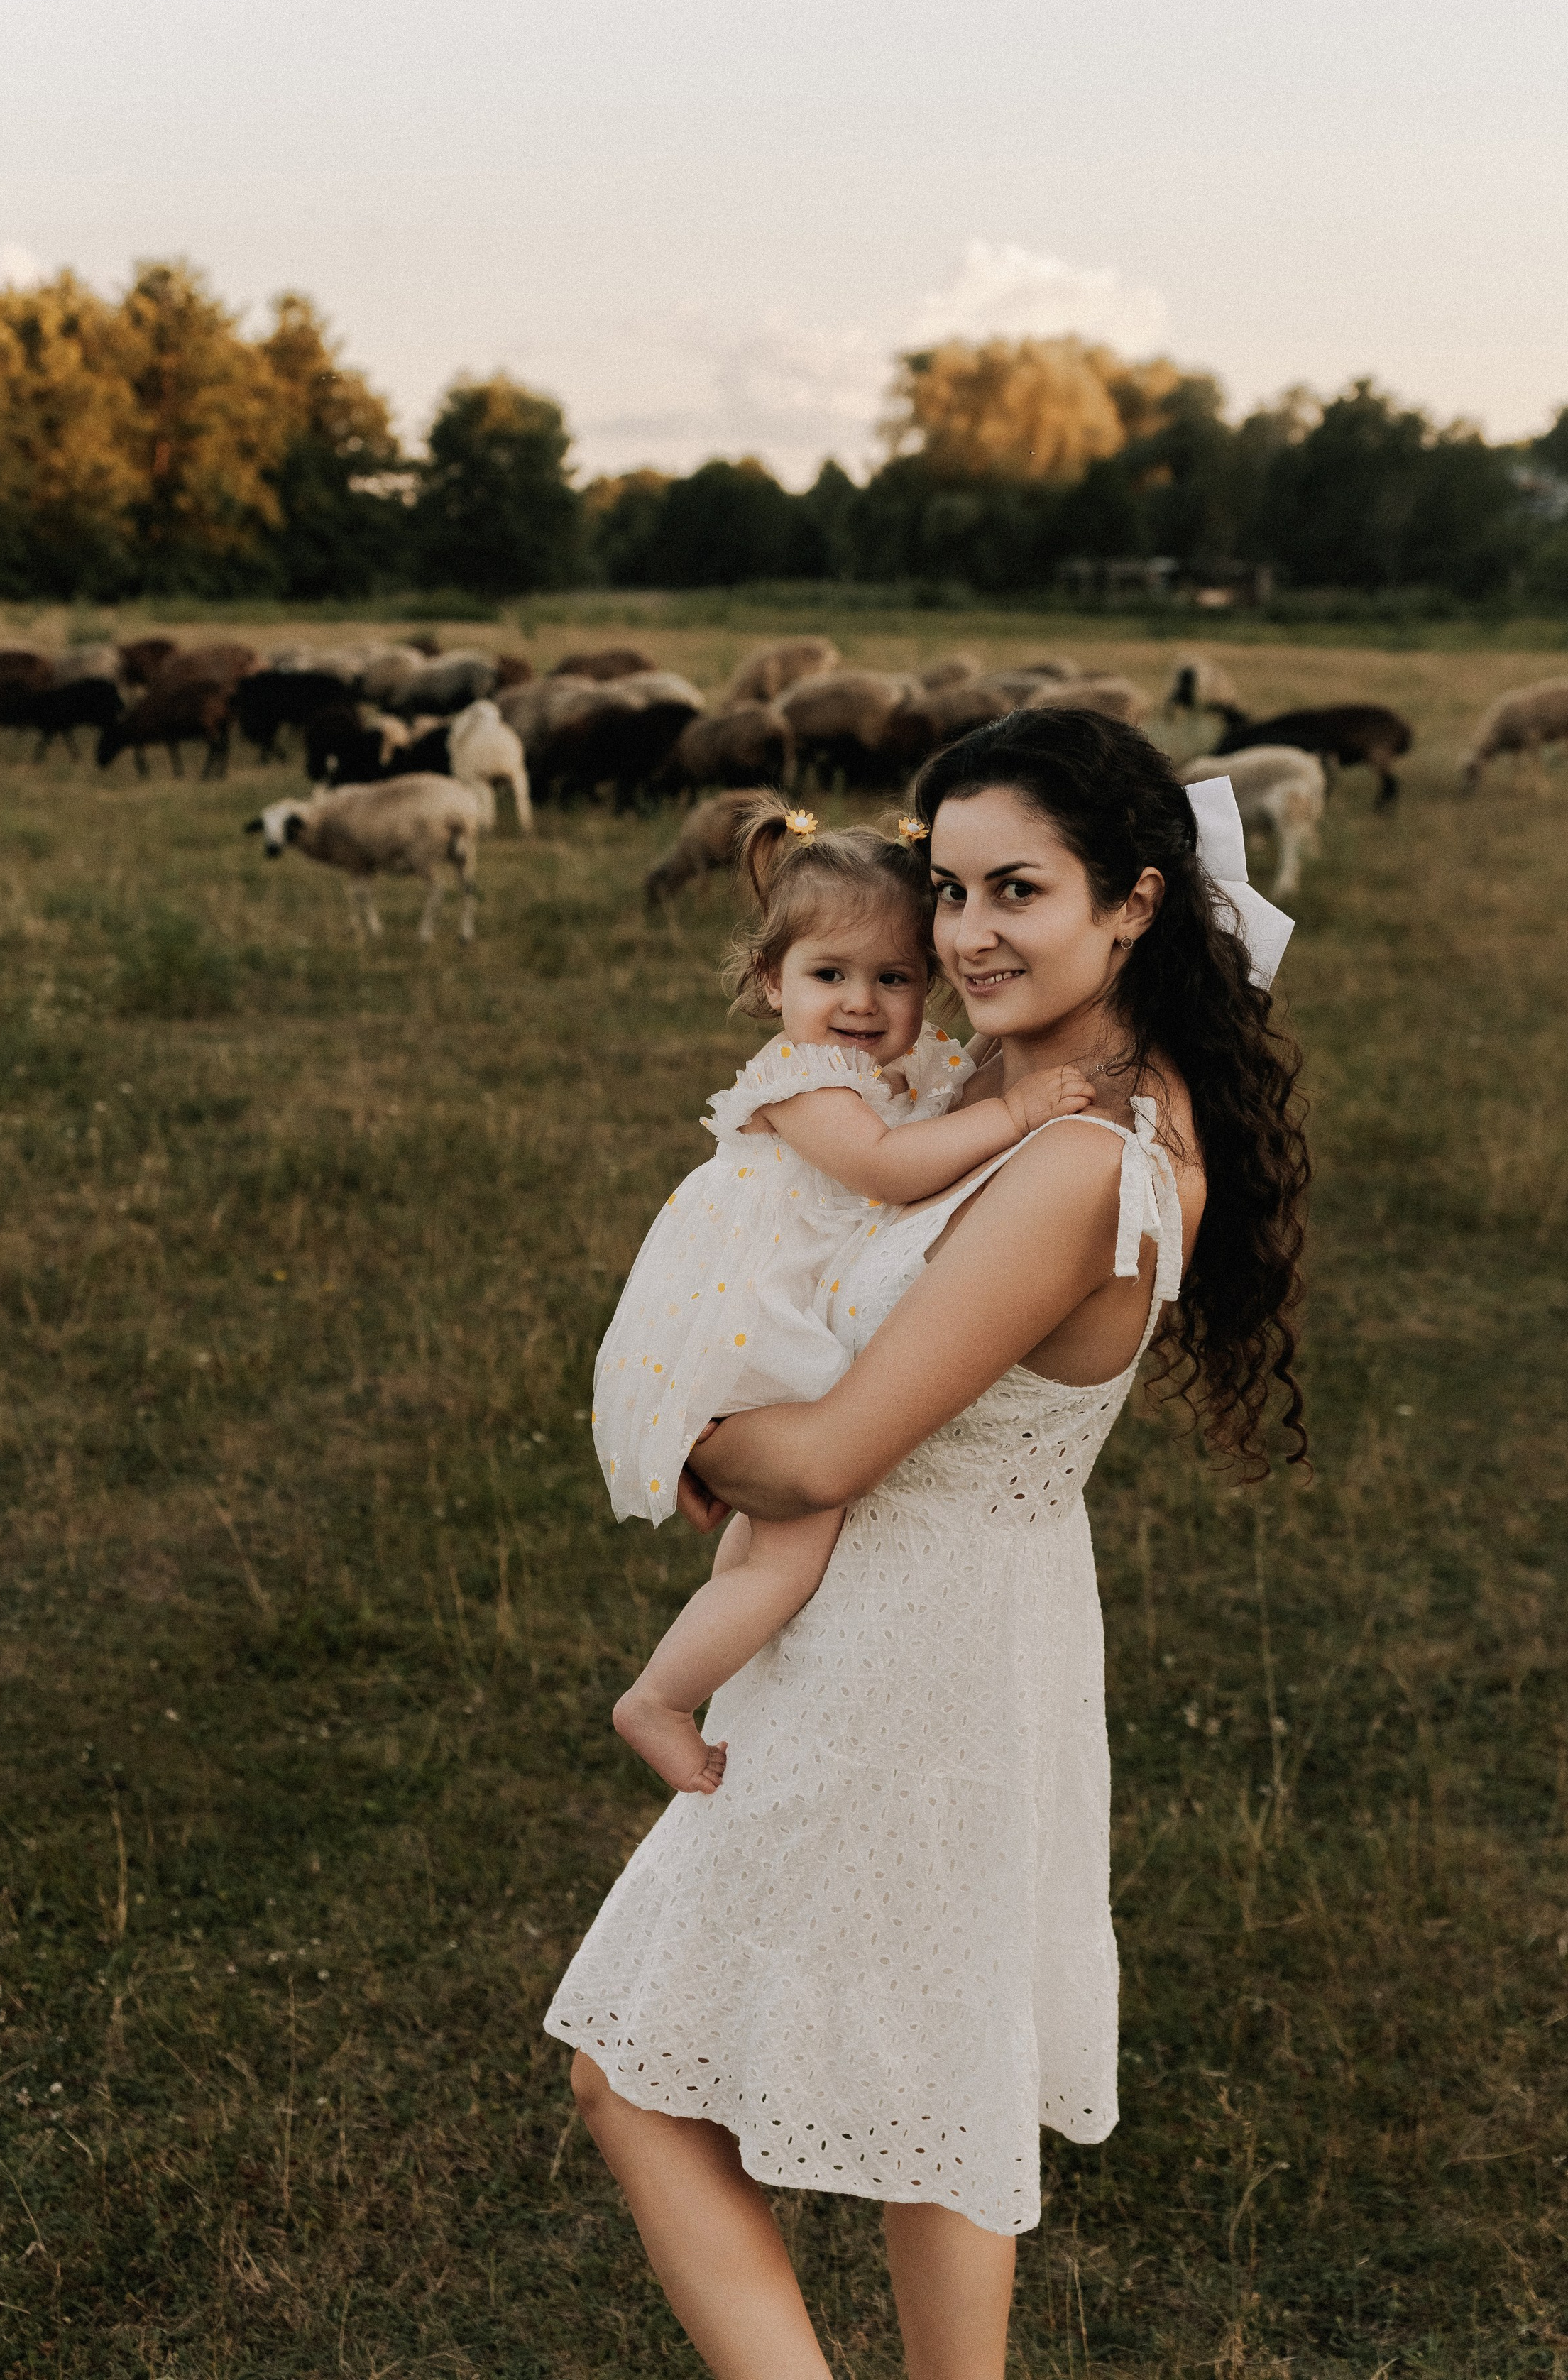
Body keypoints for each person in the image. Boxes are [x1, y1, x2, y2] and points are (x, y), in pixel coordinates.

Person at [548, 710, 1309, 2380]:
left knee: (633, 2072)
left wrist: (681, 1425)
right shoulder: (1021, 1081)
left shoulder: (1074, 1154)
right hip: (944, 1623)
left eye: (1013, 890)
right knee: (931, 2085)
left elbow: (824, 1451)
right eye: (948, 888)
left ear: (1131, 903)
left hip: (909, 1649)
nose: (961, 937)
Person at [596, 794, 1095, 1796]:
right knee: (794, 1551)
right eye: (830, 975)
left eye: (893, 978)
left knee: (758, 1544)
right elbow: (886, 1170)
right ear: (770, 980)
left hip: (780, 1316)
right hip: (757, 1324)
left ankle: (717, 1664)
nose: (861, 1003)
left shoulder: (895, 1070)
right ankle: (658, 1698)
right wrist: (1022, 1112)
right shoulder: (805, 1080)